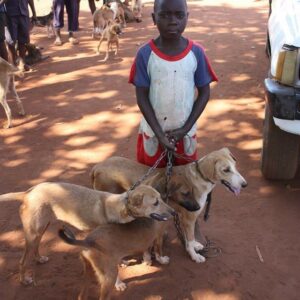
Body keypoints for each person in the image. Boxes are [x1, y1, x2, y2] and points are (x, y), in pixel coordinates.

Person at [129, 0, 218, 167]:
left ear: (187, 17)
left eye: (179, 15)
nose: (172, 21)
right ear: (154, 18)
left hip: (185, 135)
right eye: (164, 15)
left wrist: (184, 129)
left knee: (184, 184)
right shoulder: (145, 54)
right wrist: (159, 134)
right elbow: (141, 97)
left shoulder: (196, 53)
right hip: (153, 134)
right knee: (152, 185)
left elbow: (204, 93)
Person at [5, 0, 36, 71]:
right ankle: (13, 64)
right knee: (11, 41)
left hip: (23, 13)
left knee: (23, 40)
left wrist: (34, 12)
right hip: (10, 15)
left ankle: (22, 63)